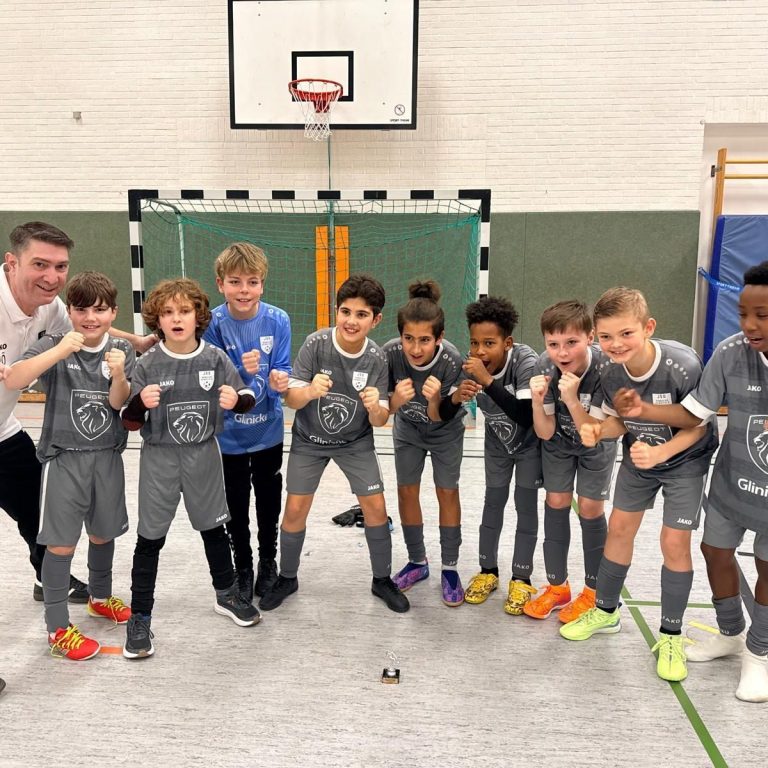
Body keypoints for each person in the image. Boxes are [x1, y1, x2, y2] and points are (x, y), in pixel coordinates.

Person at [612, 261, 768, 701]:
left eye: (762, 315)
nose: (749, 324)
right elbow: (693, 413)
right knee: (714, 551)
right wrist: (644, 410)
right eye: (743, 313)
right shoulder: (731, 352)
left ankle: (759, 653)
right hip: (733, 481)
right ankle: (731, 633)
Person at [559, 287, 718, 684]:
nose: (616, 344)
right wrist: (599, 430)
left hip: (684, 460)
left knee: (674, 543)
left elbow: (698, 426)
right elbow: (616, 422)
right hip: (640, 458)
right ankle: (606, 612)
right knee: (618, 529)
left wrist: (662, 453)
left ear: (648, 327)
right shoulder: (608, 370)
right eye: (607, 336)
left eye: (626, 333)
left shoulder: (682, 365)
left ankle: (671, 635)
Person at [0, 222, 154, 603]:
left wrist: (135, 341)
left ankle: (48, 578)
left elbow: (88, 328)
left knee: (36, 503)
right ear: (12, 263)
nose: (52, 277)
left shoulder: (49, 306)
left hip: (3, 428)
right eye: (40, 264)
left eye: (61, 266)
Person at [121, 278, 260, 659]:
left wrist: (237, 401)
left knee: (214, 528)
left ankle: (226, 594)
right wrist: (140, 404)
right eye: (168, 312)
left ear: (199, 316)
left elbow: (247, 394)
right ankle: (140, 616)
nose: (176, 318)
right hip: (160, 458)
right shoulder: (147, 364)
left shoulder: (214, 358)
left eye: (184, 311)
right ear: (158, 320)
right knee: (150, 539)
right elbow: (128, 421)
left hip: (204, 455)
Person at [258, 274, 409, 613]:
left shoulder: (376, 358)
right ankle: (287, 577)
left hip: (355, 442)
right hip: (309, 440)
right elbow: (291, 400)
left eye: (361, 314)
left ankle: (381, 579)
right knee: (295, 508)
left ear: (376, 320)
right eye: (345, 312)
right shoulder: (316, 344)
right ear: (336, 311)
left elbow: (380, 420)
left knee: (376, 508)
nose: (351, 321)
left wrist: (375, 407)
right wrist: (310, 391)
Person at [5, 272, 134, 660]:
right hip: (64, 459)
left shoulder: (121, 350)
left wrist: (119, 374)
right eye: (81, 309)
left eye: (100, 309)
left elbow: (118, 403)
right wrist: (60, 350)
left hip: (107, 457)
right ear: (70, 311)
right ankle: (57, 628)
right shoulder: (53, 344)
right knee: (60, 544)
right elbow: (14, 378)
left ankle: (99, 598)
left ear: (113, 312)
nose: (91, 317)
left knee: (103, 534)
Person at [203, 243, 291, 601]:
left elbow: (282, 367)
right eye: (235, 282)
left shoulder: (278, 319)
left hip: (268, 429)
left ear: (262, 284)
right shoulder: (211, 323)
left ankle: (268, 560)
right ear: (220, 283)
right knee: (235, 503)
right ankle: (243, 565)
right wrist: (242, 369)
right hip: (229, 434)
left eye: (252, 282)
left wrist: (280, 380)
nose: (244, 290)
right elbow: (211, 377)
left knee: (268, 499)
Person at [525, 301, 617, 621]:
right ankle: (557, 588)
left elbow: (593, 433)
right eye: (553, 344)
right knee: (556, 501)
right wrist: (537, 403)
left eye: (571, 342)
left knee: (590, 508)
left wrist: (572, 400)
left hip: (596, 440)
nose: (562, 353)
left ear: (590, 337)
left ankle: (593, 591)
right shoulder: (543, 366)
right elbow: (546, 432)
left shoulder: (607, 368)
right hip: (559, 443)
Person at [384, 280, 469, 606]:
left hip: (445, 430)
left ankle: (450, 567)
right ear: (400, 336)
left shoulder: (451, 360)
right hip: (408, 428)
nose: (415, 348)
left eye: (424, 340)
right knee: (407, 491)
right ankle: (417, 561)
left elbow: (440, 415)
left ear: (439, 337)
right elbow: (384, 407)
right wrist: (395, 400)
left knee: (447, 491)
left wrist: (434, 398)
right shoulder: (391, 353)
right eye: (409, 338)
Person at [456, 296, 542, 613]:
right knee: (493, 503)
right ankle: (487, 571)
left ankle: (521, 578)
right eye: (474, 342)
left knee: (525, 507)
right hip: (497, 445)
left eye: (489, 343)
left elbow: (525, 415)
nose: (480, 351)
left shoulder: (526, 362)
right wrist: (456, 396)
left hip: (530, 445)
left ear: (507, 343)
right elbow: (448, 407)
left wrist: (488, 381)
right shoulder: (471, 366)